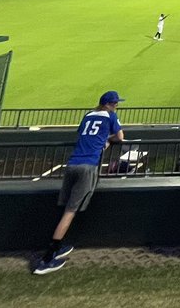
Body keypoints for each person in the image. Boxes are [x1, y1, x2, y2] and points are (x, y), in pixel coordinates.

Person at [33, 90, 125, 275]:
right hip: (88, 166)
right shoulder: (110, 116)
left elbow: (85, 135)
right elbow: (120, 137)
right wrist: (108, 140)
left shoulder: (88, 115)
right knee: (69, 213)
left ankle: (57, 247)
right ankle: (47, 258)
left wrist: (102, 141)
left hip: (72, 164)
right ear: (108, 104)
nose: (116, 106)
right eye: (115, 103)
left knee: (65, 208)